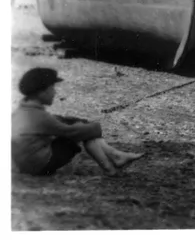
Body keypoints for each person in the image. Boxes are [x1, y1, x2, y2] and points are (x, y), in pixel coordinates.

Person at [11, 67, 144, 176]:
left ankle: (114, 159)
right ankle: (111, 165)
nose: (55, 93)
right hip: (38, 166)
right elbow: (70, 132)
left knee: (79, 127)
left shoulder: (23, 111)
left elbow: (52, 122)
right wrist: (93, 127)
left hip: (24, 163)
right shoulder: (39, 116)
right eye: (52, 88)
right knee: (81, 132)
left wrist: (78, 123)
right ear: (42, 92)